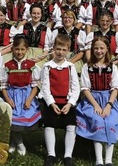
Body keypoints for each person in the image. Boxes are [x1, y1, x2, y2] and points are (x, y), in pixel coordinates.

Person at [76, 36, 118, 166]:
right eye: (96, 48)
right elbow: (85, 89)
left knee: (110, 122)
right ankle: (99, 160)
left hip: (108, 100)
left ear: (107, 49)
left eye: (102, 48)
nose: (99, 51)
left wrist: (109, 105)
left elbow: (115, 88)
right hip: (92, 100)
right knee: (98, 121)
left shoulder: (112, 67)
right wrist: (96, 105)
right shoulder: (87, 67)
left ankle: (108, 160)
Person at [41, 33, 80, 166]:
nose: (60, 52)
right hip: (52, 101)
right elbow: (45, 88)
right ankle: (51, 154)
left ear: (68, 51)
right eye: (58, 49)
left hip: (67, 102)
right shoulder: (47, 66)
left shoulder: (70, 67)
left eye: (64, 50)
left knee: (71, 124)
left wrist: (70, 104)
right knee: (49, 123)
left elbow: (76, 88)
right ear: (53, 48)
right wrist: (51, 103)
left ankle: (68, 155)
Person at [0, 34, 41, 156]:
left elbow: (35, 86)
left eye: (22, 49)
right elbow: (3, 85)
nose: (19, 52)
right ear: (12, 49)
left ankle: (15, 141)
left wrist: (29, 100)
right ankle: (18, 142)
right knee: (12, 119)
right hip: (12, 95)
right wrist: (7, 99)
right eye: (17, 49)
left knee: (24, 117)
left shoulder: (31, 66)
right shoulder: (7, 66)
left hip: (26, 95)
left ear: (27, 50)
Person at [53, 9, 87, 74]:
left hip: (74, 58)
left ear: (74, 19)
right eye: (65, 17)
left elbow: (82, 52)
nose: (67, 19)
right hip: (58, 56)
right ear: (62, 19)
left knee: (73, 69)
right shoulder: (56, 32)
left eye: (70, 18)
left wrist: (70, 62)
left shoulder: (80, 33)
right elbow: (52, 49)